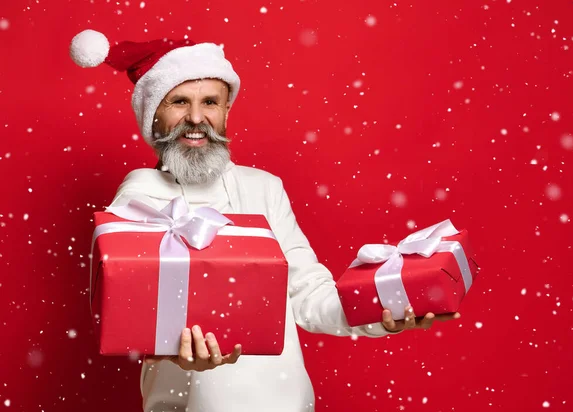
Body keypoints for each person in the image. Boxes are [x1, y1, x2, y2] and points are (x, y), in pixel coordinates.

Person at [70, 30, 461, 412]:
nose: (195, 118)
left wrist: (384, 308)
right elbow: (129, 314)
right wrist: (173, 356)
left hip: (284, 402)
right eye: (178, 102)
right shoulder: (140, 195)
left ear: (226, 111)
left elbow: (307, 295)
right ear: (153, 112)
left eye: (210, 101)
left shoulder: (264, 188)